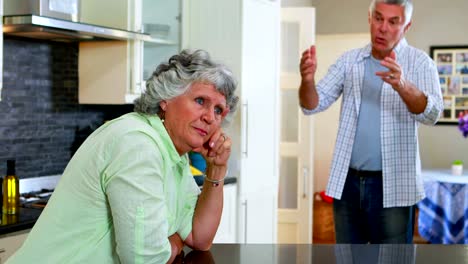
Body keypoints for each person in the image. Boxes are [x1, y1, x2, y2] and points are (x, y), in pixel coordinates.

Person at [7, 49, 239, 263]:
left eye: (218, 110)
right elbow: (144, 260)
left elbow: (200, 237)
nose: (210, 117)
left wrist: (216, 168)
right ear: (166, 99)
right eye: (200, 101)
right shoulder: (138, 144)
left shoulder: (174, 155)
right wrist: (175, 243)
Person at [299, 0, 443, 243]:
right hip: (347, 183)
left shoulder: (420, 64)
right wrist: (307, 80)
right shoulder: (349, 62)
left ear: (406, 26)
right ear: (370, 18)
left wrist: (402, 85)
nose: (382, 28)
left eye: (393, 21)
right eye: (378, 18)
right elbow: (312, 104)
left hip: (394, 184)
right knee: (348, 259)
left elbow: (432, 113)